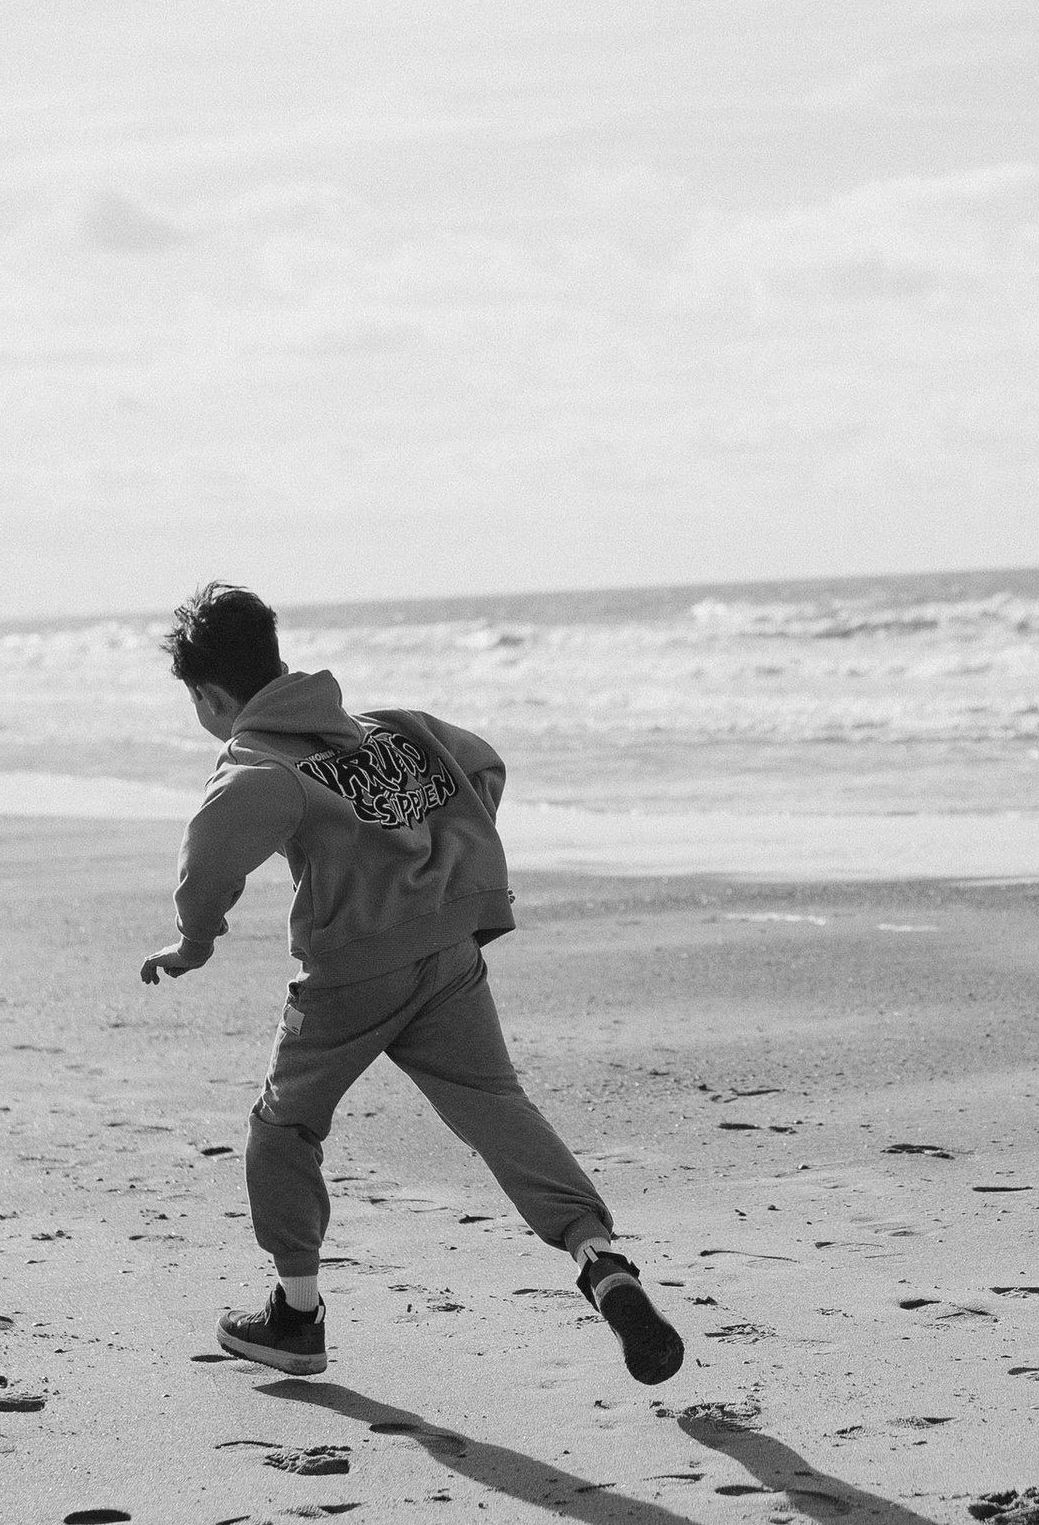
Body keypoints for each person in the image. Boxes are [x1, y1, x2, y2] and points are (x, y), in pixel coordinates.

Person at [138, 582, 685, 1389]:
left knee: (284, 1127)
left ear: (209, 696)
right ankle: (599, 1259)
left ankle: (295, 1316)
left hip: (350, 978)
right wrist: (436, 859)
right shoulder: (396, 730)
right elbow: (481, 763)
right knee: (496, 1107)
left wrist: (193, 941)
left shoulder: (261, 762)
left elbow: (212, 851)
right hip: (447, 953)